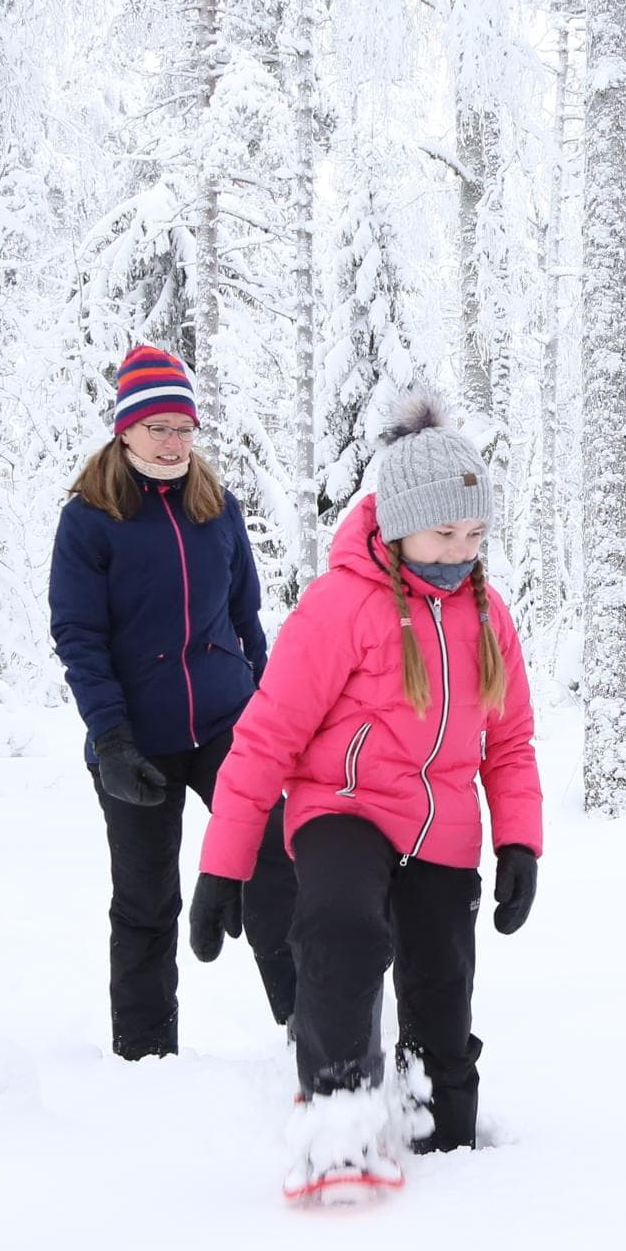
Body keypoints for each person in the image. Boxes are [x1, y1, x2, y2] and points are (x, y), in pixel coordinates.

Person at [187, 398, 541, 1203]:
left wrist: (519, 841)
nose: (462, 552)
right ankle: (340, 1114)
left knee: (441, 989)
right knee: (340, 926)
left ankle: (436, 1124)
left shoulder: (490, 619)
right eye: (445, 535)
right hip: (343, 809)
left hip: (443, 827)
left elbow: (511, 742)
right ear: (400, 523)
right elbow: (266, 737)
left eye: (475, 535)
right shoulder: (343, 604)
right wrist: (225, 865)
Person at [48, 344, 298, 1059]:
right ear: (125, 429)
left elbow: (248, 619)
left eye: (184, 427)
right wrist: (113, 740)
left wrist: (271, 711)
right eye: (158, 427)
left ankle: (309, 1025)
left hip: (227, 722)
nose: (173, 442)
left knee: (277, 857)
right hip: (135, 735)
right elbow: (79, 636)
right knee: (145, 898)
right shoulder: (90, 520)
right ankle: (146, 1056)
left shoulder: (216, 509)